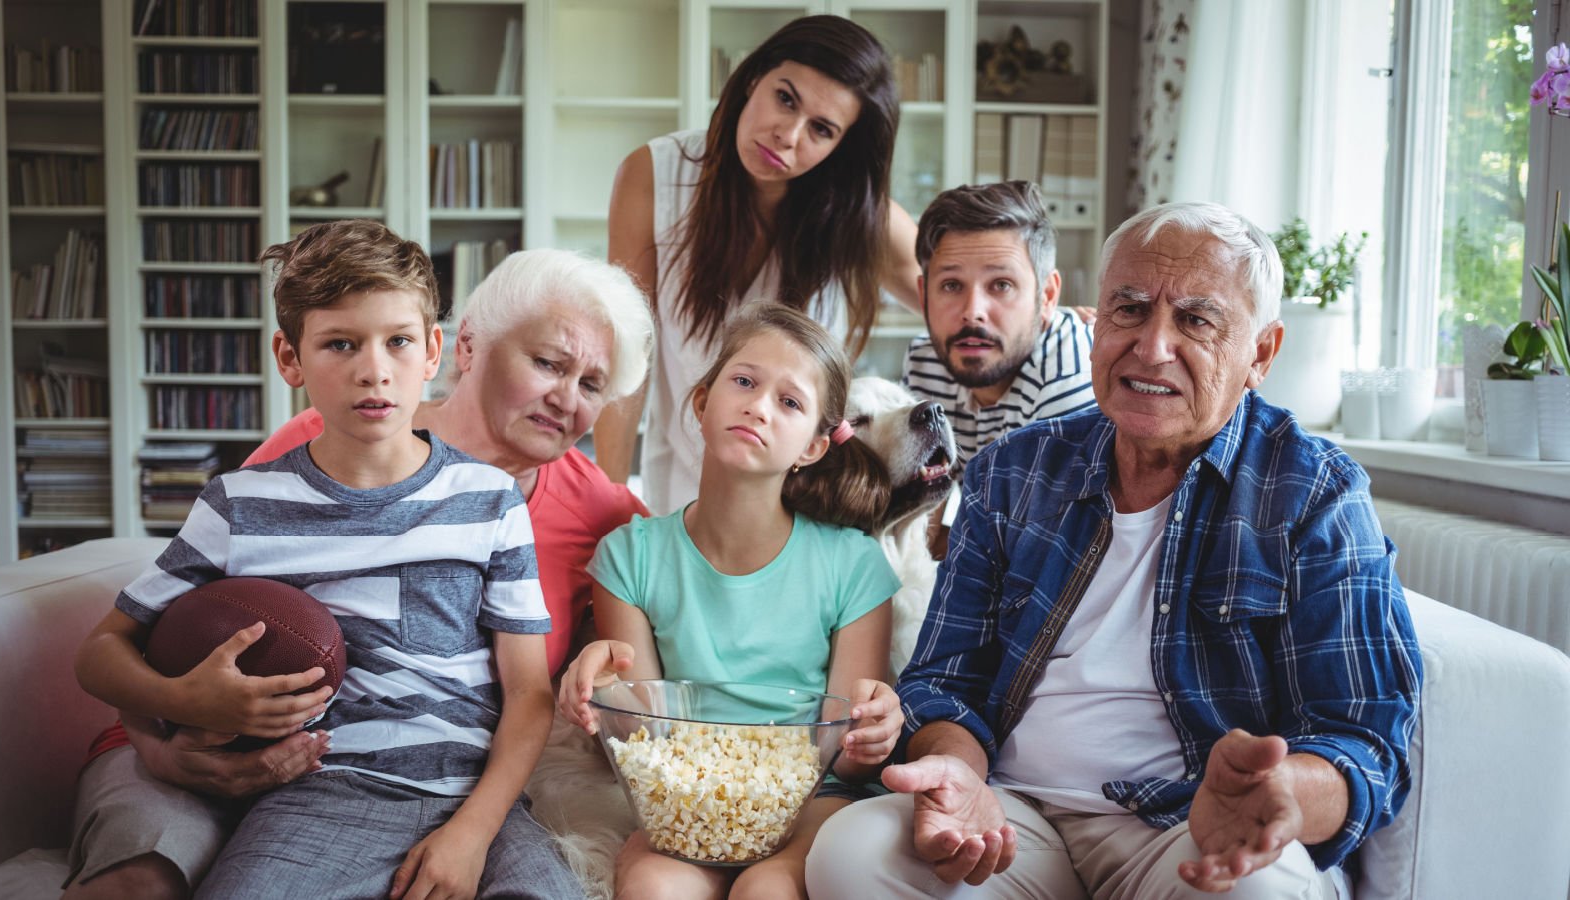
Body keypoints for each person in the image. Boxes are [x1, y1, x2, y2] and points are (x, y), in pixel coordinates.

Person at [805, 201, 1424, 900]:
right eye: (1129, 311)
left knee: (1257, 891)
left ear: (1261, 352)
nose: (1152, 346)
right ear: (1095, 324)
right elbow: (945, 680)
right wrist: (957, 771)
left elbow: (1365, 735)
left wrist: (1286, 791)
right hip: (1013, 815)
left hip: (1187, 824)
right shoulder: (1012, 471)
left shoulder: (1314, 492)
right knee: (851, 854)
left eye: (1196, 320)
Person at [67, 223, 590, 900]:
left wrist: (473, 832)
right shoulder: (240, 505)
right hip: (318, 795)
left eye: (398, 341)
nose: (373, 369)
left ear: (433, 349)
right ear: (290, 357)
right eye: (340, 344)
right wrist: (181, 698)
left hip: (473, 802)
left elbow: (528, 696)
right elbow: (99, 654)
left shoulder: (487, 501)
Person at [559, 304, 905, 899]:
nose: (759, 405)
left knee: (765, 892)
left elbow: (845, 761)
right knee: (652, 888)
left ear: (815, 448)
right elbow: (647, 743)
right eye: (743, 381)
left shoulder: (853, 565)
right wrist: (597, 695)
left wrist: (872, 733)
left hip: (813, 799)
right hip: (683, 797)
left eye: (790, 402)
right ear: (701, 403)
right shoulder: (630, 558)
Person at [597, 14, 922, 515]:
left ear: (841, 147)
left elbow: (960, 299)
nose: (787, 136)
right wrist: (605, 504)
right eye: (785, 98)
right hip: (681, 492)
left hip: (804, 503)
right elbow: (626, 354)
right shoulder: (654, 175)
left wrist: (1062, 322)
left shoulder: (859, 215)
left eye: (821, 129)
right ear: (754, 77)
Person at [903, 180, 1096, 466]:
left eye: (1001, 285)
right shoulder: (924, 363)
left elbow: (1040, 511)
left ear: (1047, 296)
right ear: (923, 295)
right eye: (952, 285)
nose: (973, 312)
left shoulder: (1070, 368)